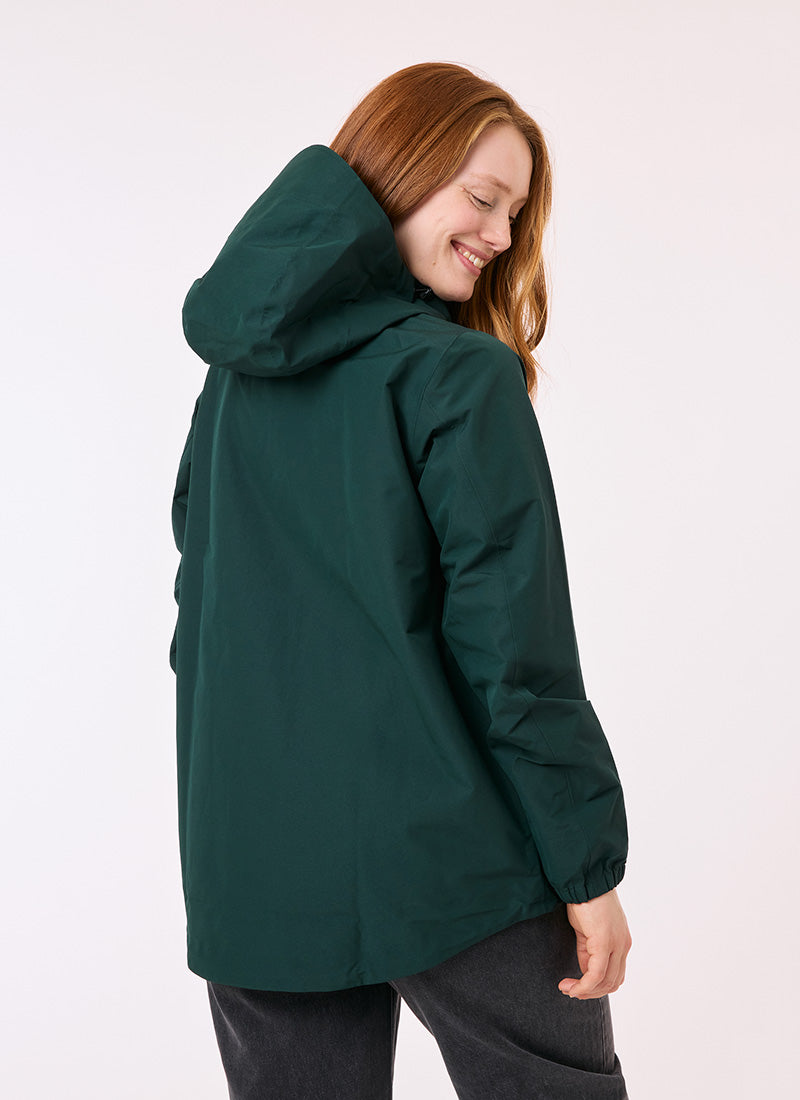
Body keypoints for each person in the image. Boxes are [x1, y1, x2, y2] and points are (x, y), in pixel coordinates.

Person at [170, 61, 632, 1099]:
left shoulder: (235, 380)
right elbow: (515, 660)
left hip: (253, 862)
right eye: (483, 197)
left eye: (515, 213)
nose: (501, 235)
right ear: (399, 171)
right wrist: (588, 867)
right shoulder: (457, 375)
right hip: (450, 854)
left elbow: (200, 603)